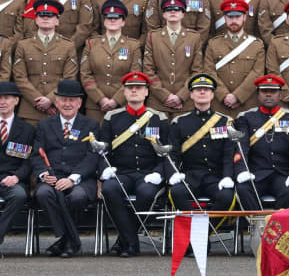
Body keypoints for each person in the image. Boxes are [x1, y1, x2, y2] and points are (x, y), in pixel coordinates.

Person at [99, 72, 170, 257]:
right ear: (124, 92)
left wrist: (159, 173)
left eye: (139, 88)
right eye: (130, 88)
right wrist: (104, 169)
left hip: (148, 173)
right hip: (121, 172)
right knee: (109, 189)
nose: (134, 91)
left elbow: (167, 152)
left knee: (146, 193)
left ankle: (125, 241)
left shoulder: (158, 118)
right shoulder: (112, 117)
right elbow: (102, 149)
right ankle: (130, 241)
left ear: (146, 92)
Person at [31, 79, 99, 258]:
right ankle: (70, 239)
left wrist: (72, 178)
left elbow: (93, 157)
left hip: (81, 179)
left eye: (72, 100)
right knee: (43, 193)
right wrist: (44, 175)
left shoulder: (91, 125)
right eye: (63, 100)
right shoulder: (44, 125)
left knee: (78, 196)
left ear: (80, 103)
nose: (67, 104)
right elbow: (36, 154)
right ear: (56, 102)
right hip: (52, 178)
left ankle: (66, 241)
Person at [234, 74, 289, 210]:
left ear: (279, 94)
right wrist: (242, 171)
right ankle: (255, 226)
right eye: (264, 91)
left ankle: (275, 227)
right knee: (243, 188)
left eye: (273, 92)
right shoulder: (246, 118)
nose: (268, 95)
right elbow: (241, 148)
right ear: (258, 94)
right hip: (256, 173)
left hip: (282, 174)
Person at [167, 74, 235, 214]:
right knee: (176, 193)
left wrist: (228, 176)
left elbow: (229, 155)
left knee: (227, 196)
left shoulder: (225, 122)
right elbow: (172, 154)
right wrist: (173, 173)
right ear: (191, 95)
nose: (202, 92)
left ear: (212, 95)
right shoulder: (179, 122)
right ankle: (194, 230)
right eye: (198, 90)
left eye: (206, 89)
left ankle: (204, 233)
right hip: (190, 176)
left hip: (216, 177)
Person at [13, 0, 78, 125]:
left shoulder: (68, 46)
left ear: (57, 21)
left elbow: (69, 77)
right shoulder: (23, 45)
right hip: (29, 110)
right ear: (36, 20)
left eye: (50, 16)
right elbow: (19, 77)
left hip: (57, 109)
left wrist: (50, 99)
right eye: (41, 15)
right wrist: (38, 101)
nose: (45, 18)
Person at [141, 0, 203, 117]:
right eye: (169, 9)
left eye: (177, 9)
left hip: (186, 104)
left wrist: (181, 96)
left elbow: (197, 71)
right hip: (158, 104)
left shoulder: (194, 38)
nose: (173, 12)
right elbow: (148, 70)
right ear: (163, 14)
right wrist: (165, 96)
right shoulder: (153, 37)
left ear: (183, 13)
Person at [80, 0, 142, 122]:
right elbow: (85, 74)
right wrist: (100, 99)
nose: (112, 20)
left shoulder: (133, 46)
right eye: (108, 17)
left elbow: (134, 76)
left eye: (117, 17)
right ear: (104, 21)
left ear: (123, 22)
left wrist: (116, 100)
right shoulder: (91, 44)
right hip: (95, 106)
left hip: (123, 105)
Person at [204, 0, 265, 117]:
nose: (234, 21)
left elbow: (257, 73)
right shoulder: (213, 44)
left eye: (237, 17)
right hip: (219, 105)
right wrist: (224, 95)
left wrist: (237, 96)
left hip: (247, 105)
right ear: (225, 18)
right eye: (230, 17)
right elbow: (209, 72)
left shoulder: (257, 45)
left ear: (245, 17)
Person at [0, 81, 36, 248]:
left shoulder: (28, 129)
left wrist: (16, 177)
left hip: (13, 179)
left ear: (16, 100)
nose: (2, 102)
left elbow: (29, 161)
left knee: (19, 195)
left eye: (6, 98)